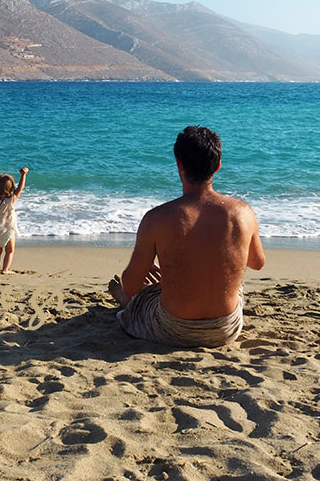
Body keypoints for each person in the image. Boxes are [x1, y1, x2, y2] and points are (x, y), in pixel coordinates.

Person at [109, 126, 265, 347]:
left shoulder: (157, 218)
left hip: (172, 329)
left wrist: (145, 267)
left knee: (137, 296)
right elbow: (257, 263)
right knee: (232, 281)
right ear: (218, 166)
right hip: (225, 329)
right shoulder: (242, 212)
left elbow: (131, 285)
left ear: (179, 165)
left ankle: (123, 302)